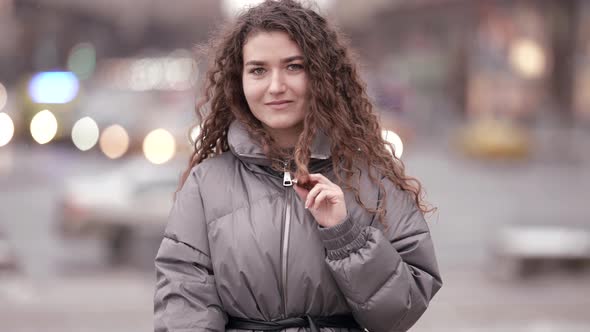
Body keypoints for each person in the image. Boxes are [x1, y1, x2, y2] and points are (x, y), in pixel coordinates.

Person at [154, 1, 442, 331]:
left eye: (294, 67)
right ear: (239, 80)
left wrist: (345, 236)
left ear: (321, 74)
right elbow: (183, 301)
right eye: (258, 70)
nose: (276, 86)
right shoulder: (206, 185)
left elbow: (401, 312)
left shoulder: (372, 180)